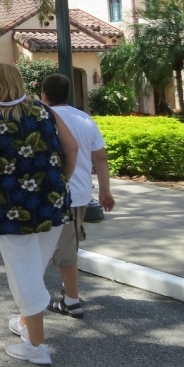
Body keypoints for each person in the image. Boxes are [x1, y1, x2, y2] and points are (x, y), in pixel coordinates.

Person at [0, 63, 78, 365]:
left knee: (24, 272)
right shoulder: (45, 111)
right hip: (51, 202)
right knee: (33, 266)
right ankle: (27, 322)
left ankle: (36, 346)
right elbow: (73, 148)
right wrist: (59, 181)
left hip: (11, 207)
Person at [41, 73, 116, 319]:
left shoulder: (44, 118)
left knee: (63, 250)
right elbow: (101, 158)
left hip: (54, 194)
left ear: (44, 95)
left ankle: (71, 302)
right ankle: (66, 293)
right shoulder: (85, 119)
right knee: (67, 244)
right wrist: (105, 190)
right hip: (81, 193)